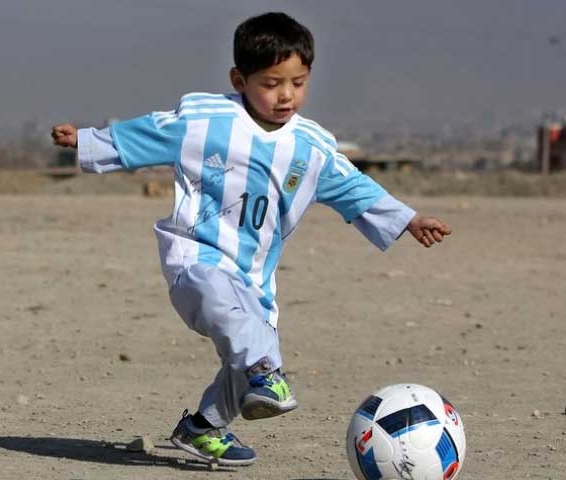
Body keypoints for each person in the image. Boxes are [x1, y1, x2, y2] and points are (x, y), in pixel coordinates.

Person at [51, 12, 452, 467]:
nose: (286, 95)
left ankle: (203, 428)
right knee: (251, 348)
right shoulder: (205, 120)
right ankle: (264, 371)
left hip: (255, 278)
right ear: (239, 79)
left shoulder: (313, 147)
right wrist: (87, 142)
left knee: (251, 353)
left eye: (298, 83)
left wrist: (408, 219)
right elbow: (147, 133)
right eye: (272, 83)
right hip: (196, 258)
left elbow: (356, 188)